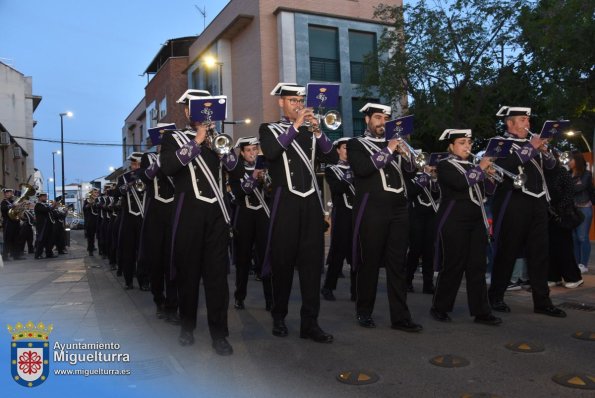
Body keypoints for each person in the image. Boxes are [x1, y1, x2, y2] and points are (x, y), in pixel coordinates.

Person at [259, 83, 338, 343]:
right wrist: (295, 127)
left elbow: (332, 157)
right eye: (292, 100)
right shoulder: (269, 129)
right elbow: (271, 152)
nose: (297, 104)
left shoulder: (310, 130)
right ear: (281, 103)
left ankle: (310, 323)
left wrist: (317, 130)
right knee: (282, 264)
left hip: (311, 204)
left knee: (312, 267)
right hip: (285, 203)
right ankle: (279, 316)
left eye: (300, 100)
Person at [160, 89, 233, 356]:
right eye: (195, 108)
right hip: (187, 214)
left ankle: (220, 335)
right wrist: (198, 139)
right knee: (188, 275)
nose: (200, 113)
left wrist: (219, 145)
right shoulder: (173, 138)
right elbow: (168, 167)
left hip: (216, 216)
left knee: (217, 279)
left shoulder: (219, 139)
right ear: (187, 111)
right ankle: (187, 327)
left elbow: (234, 167)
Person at [347, 104, 422, 332]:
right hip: (372, 209)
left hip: (399, 208)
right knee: (369, 263)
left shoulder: (397, 144)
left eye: (386, 118)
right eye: (378, 117)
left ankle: (400, 317)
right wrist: (389, 150)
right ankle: (364, 311)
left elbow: (412, 172)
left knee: (397, 264)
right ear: (367, 119)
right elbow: (363, 169)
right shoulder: (356, 144)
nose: (382, 122)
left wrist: (407, 155)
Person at [488, 106, 566, 317]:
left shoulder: (533, 143)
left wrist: (545, 151)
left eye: (528, 120)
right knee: (508, 252)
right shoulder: (500, 143)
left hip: (538, 202)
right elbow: (506, 166)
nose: (528, 124)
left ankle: (542, 301)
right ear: (510, 123)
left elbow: (552, 168)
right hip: (513, 203)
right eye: (523, 120)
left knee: (540, 254)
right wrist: (531, 147)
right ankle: (495, 296)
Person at [429, 129, 501, 325]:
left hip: (476, 221)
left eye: (469, 142)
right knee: (452, 266)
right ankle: (440, 307)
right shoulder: (444, 165)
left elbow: (488, 192)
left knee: (477, 267)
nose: (467, 146)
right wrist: (480, 169)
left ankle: (481, 311)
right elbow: (460, 184)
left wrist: (490, 176)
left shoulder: (472, 166)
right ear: (451, 146)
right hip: (453, 220)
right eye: (462, 142)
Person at [224, 136, 273, 311]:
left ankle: (270, 299)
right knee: (243, 260)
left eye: (255, 149)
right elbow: (241, 191)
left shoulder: (267, 166)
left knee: (266, 258)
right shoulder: (236, 170)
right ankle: (240, 296)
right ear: (242, 153)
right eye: (249, 150)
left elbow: (272, 191)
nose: (252, 153)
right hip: (244, 216)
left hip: (263, 216)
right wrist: (253, 177)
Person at [136, 147, 179, 322]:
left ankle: (172, 305)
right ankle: (158, 300)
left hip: (173, 211)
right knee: (156, 262)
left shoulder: (179, 154)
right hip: (154, 212)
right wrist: (161, 159)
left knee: (172, 261)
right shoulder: (149, 157)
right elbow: (146, 175)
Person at [321, 138, 356, 302]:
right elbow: (336, 189)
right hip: (342, 212)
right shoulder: (332, 169)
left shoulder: (358, 167)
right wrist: (348, 176)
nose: (348, 151)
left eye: (350, 148)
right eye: (345, 148)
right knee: (338, 252)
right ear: (338, 150)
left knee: (357, 253)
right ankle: (328, 287)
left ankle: (356, 290)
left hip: (358, 213)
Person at [546, 157, 584, 288]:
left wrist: (560, 208)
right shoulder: (542, 172)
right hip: (547, 215)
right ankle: (553, 276)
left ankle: (573, 277)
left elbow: (570, 191)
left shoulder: (561, 171)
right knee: (550, 247)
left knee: (564, 247)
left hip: (562, 215)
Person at [405, 164, 440, 294]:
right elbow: (412, 192)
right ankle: (407, 281)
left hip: (430, 217)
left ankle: (428, 284)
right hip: (415, 216)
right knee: (415, 250)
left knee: (429, 251)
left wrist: (434, 178)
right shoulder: (412, 178)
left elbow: (436, 196)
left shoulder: (432, 180)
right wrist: (425, 175)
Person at [114, 152, 146, 289]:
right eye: (134, 164)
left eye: (139, 164)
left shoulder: (147, 175)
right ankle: (128, 281)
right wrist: (129, 184)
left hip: (144, 218)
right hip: (128, 218)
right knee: (128, 251)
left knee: (144, 252)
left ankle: (144, 281)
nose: (136, 166)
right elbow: (116, 193)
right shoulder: (123, 178)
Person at [569, 151, 592, 274]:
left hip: (584, 208)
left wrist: (568, 186)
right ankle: (577, 263)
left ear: (577, 160)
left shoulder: (586, 174)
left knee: (582, 237)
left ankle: (584, 264)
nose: (568, 162)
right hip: (572, 209)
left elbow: (580, 187)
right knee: (574, 238)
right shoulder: (568, 174)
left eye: (571, 159)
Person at [33, 192, 58, 259]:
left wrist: (54, 207)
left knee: (49, 240)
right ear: (40, 198)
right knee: (41, 240)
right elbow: (46, 210)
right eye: (44, 196)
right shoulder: (38, 205)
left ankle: (49, 253)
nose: (46, 198)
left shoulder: (45, 204)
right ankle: (38, 255)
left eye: (46, 196)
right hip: (42, 226)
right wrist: (53, 206)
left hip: (48, 225)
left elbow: (50, 211)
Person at [1, 188, 23, 260]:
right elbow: (4, 209)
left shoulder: (13, 201)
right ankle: (5, 257)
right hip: (8, 223)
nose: (9, 194)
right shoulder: (4, 202)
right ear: (5, 194)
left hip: (15, 223)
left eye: (10, 192)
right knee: (8, 240)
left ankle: (16, 256)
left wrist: (20, 206)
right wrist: (13, 205)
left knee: (16, 239)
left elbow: (17, 212)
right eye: (7, 193)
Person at [83, 188, 100, 256]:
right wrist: (89, 204)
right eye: (95, 192)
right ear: (92, 193)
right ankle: (90, 250)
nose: (96, 193)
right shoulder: (87, 200)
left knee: (100, 236)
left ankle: (101, 249)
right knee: (91, 236)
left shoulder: (99, 200)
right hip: (91, 220)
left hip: (98, 219)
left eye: (97, 192)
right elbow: (84, 208)